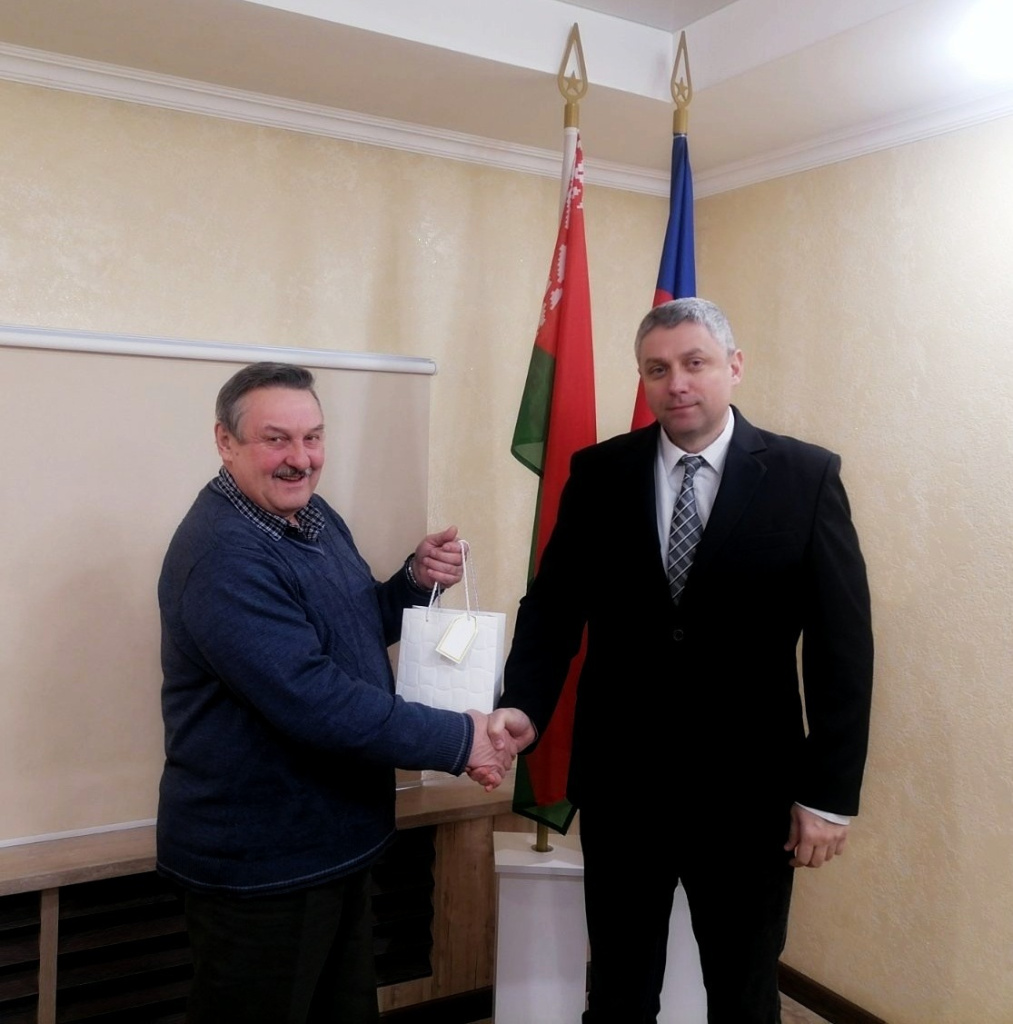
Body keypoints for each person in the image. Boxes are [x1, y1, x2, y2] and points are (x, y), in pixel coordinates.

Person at [485, 299, 874, 1024]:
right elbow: (554, 607)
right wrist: (524, 705)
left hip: (748, 794)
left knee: (744, 993)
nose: (677, 383)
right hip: (623, 786)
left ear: (734, 366)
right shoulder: (599, 473)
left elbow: (842, 648)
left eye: (695, 363)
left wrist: (827, 795)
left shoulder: (805, 476)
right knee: (619, 991)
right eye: (657, 369)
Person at [156, 361, 515, 1024]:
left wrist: (412, 583)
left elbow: (348, 630)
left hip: (333, 846)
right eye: (277, 439)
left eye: (313, 437)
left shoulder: (310, 517)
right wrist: (461, 738)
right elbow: (315, 699)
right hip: (263, 867)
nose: (301, 459)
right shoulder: (224, 557)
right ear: (225, 442)